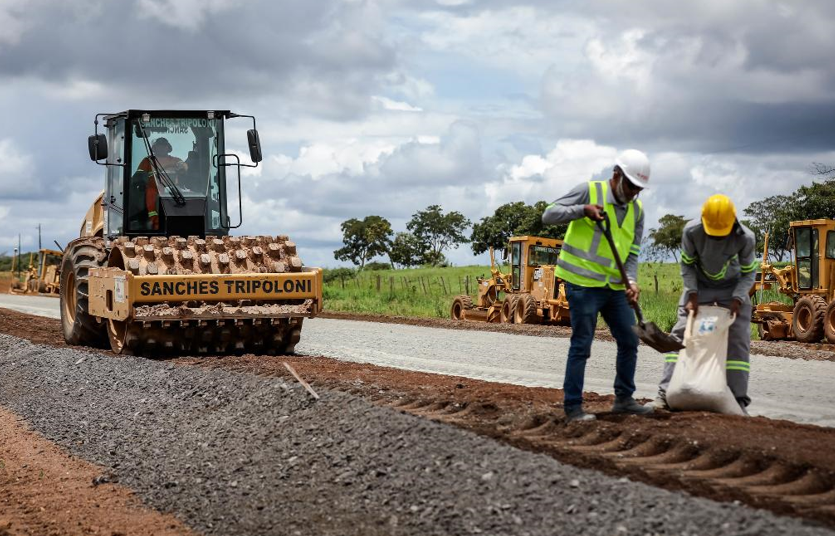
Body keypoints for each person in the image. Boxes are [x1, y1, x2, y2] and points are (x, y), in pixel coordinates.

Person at [542, 149, 653, 422]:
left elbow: (632, 253)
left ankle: (624, 399)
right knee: (582, 344)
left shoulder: (637, 211)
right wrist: (582, 211)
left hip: (614, 287)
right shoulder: (589, 191)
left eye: (638, 189)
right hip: (582, 284)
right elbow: (549, 215)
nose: (633, 193)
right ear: (616, 175)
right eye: (630, 186)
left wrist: (632, 280)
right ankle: (573, 407)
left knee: (630, 339)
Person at [652, 194, 757, 414]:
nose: (717, 239)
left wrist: (738, 298)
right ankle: (664, 395)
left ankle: (737, 402)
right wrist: (691, 293)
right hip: (699, 287)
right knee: (680, 335)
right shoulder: (691, 231)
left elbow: (749, 273)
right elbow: (687, 265)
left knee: (737, 341)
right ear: (702, 220)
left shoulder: (746, 237)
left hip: (733, 289)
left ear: (733, 222)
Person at [135, 137, 187, 230]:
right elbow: (139, 176)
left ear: (168, 148)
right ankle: (155, 226)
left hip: (174, 191)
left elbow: (183, 165)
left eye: (164, 146)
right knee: (151, 200)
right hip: (154, 189)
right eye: (159, 146)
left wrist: (182, 166)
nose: (162, 148)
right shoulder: (148, 161)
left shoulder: (175, 160)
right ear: (154, 148)